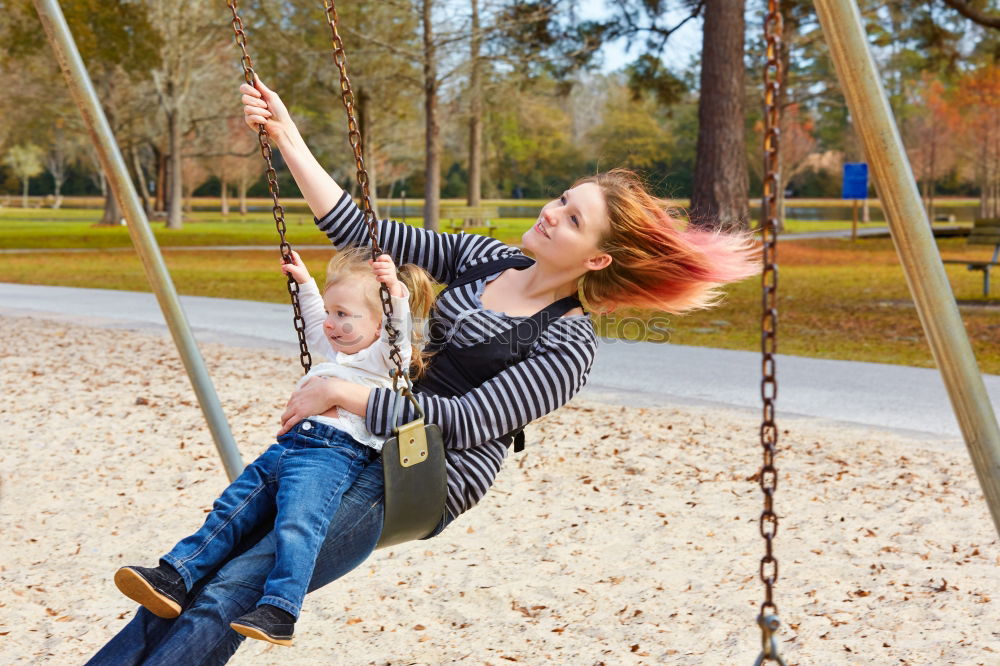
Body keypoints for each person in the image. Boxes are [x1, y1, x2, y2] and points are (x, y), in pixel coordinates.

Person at [85, 76, 762, 664]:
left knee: (236, 591)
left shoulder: (569, 346)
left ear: (596, 260)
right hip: (356, 439)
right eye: (561, 198)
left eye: (573, 217)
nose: (552, 212)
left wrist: (343, 392)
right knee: (184, 582)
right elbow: (362, 233)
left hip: (414, 477)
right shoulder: (484, 259)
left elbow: (465, 423)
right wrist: (287, 135)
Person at [112, 248, 436, 647]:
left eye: (344, 315)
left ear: (380, 323)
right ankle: (177, 575)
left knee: (299, 524)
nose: (331, 325)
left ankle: (281, 608)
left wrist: (396, 297)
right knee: (232, 510)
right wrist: (304, 284)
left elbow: (398, 337)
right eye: (332, 312)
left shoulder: (382, 360)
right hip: (289, 446)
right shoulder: (340, 348)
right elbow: (316, 321)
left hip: (333, 453)